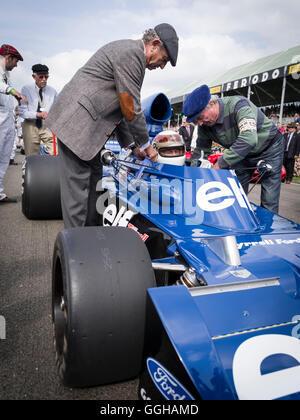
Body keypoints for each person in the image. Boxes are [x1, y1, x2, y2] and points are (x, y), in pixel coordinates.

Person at [46, 23, 179, 228]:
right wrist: (145, 144)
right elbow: (130, 106)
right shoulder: (131, 54)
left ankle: (91, 241)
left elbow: (121, 109)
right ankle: (75, 251)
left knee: (94, 189)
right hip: (78, 128)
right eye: (164, 60)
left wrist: (133, 147)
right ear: (154, 44)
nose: (162, 66)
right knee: (78, 198)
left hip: (89, 133)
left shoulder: (131, 55)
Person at [183, 85, 284, 213]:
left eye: (200, 117)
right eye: (196, 121)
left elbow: (249, 139)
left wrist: (220, 164)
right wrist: (193, 175)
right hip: (242, 154)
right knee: (235, 195)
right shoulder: (204, 126)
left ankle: (268, 230)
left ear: (211, 103)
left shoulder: (239, 105)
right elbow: (200, 152)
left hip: (270, 148)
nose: (200, 123)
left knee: (269, 200)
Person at [0, 44, 27, 203]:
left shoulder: (6, 74)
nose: (16, 65)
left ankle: (0, 193)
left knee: (3, 158)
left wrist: (14, 98)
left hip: (6, 118)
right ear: (8, 58)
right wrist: (12, 91)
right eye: (16, 61)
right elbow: (2, 87)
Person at [19, 64, 57, 155]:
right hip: (30, 124)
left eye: (46, 77)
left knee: (56, 151)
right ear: (34, 77)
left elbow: (57, 107)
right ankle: (30, 169)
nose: (44, 79)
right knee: (32, 156)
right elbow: (22, 112)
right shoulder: (26, 89)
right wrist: (38, 114)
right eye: (41, 77)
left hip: (47, 124)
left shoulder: (52, 91)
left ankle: (52, 168)